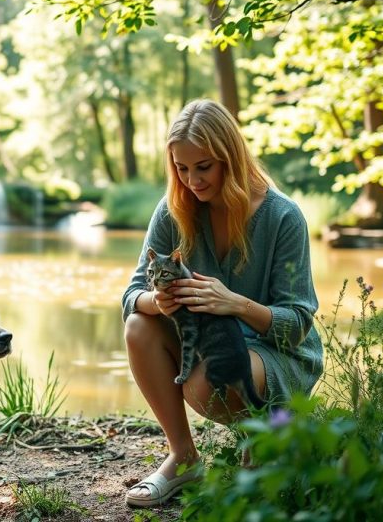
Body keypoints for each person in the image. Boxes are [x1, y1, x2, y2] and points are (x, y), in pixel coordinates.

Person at [120, 99, 323, 507]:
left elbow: (298, 322)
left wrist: (236, 304)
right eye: (181, 167)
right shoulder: (172, 211)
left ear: (229, 157)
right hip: (209, 343)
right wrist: (157, 303)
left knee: (208, 379)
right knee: (138, 326)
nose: (191, 180)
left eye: (203, 166)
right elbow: (130, 297)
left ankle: (270, 434)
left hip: (275, 354)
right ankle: (183, 458)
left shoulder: (284, 217)